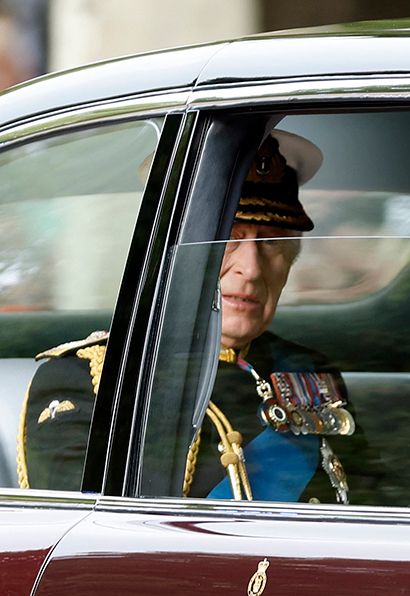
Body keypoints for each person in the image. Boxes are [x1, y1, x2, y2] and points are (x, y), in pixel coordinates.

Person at [17, 131, 358, 504]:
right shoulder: (91, 381)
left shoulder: (308, 373)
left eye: (271, 242)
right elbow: (94, 549)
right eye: (228, 236)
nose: (251, 268)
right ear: (173, 255)